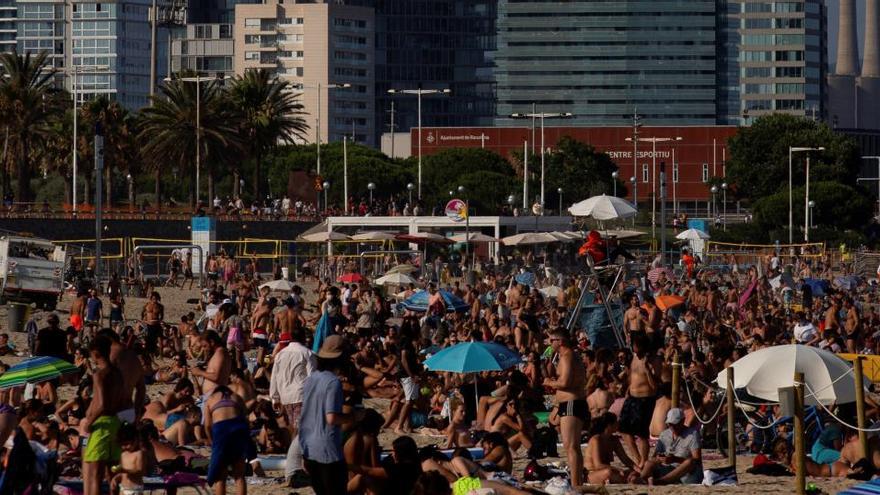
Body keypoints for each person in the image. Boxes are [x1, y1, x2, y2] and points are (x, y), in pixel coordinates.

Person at [299, 335, 347, 495]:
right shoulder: (333, 382)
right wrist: (355, 417)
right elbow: (331, 417)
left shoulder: (311, 379)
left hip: (309, 446)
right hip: (327, 449)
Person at [268, 326, 315, 488]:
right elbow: (312, 376)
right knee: (303, 432)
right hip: (301, 394)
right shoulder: (307, 353)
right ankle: (296, 468)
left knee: (296, 430)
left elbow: (275, 375)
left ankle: (296, 466)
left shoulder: (281, 353)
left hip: (286, 396)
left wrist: (274, 396)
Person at [542, 329, 588, 487]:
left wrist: (549, 383)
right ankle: (578, 481)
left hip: (571, 403)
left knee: (571, 446)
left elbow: (565, 383)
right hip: (571, 403)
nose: (549, 343)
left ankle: (576, 484)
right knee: (573, 447)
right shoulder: (571, 356)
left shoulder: (567, 356)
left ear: (559, 341)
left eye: (551, 340)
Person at [81, 336, 125, 495]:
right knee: (112, 472)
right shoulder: (118, 373)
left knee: (94, 474)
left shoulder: (100, 374)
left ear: (95, 353)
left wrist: (89, 421)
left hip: (102, 424)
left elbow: (102, 404)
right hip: (115, 421)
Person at [619, 333, 660, 468]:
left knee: (642, 434)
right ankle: (638, 459)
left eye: (636, 346)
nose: (634, 348)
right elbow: (631, 375)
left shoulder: (654, 360)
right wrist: (625, 388)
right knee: (624, 429)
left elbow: (655, 386)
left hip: (645, 398)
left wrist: (648, 370)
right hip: (631, 397)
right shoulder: (634, 358)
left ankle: (644, 459)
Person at [204, 386, 251, 495]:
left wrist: (212, 442)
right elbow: (246, 419)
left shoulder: (211, 399)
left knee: (220, 476)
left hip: (221, 429)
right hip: (239, 427)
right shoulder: (237, 397)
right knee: (239, 475)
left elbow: (207, 426)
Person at [637, 408, 703, 485]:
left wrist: (675, 459)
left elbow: (697, 460)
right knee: (649, 463)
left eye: (675, 424)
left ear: (683, 421)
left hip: (687, 473)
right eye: (670, 424)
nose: (672, 427)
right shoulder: (664, 434)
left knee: (690, 461)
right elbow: (654, 457)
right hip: (669, 469)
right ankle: (641, 479)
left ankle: (661, 481)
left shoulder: (692, 434)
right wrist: (660, 458)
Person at [584, 412, 637, 484]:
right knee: (609, 472)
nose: (618, 424)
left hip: (609, 471)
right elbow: (598, 465)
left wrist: (638, 469)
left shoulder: (614, 440)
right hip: (592, 473)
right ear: (609, 425)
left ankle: (627, 479)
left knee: (632, 472)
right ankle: (628, 479)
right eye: (616, 422)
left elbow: (625, 459)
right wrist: (618, 469)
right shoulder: (596, 439)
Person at [191, 330, 231, 417]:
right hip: (212, 396)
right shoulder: (219, 353)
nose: (204, 349)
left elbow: (216, 376)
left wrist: (199, 372)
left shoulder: (220, 353)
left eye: (205, 346)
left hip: (214, 396)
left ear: (212, 342)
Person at [109, 423, 149, 495]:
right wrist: (116, 478)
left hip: (135, 489)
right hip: (123, 488)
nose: (125, 447)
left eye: (127, 444)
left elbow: (140, 471)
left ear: (136, 440)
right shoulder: (123, 454)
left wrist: (124, 470)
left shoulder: (139, 454)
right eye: (122, 445)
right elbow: (122, 473)